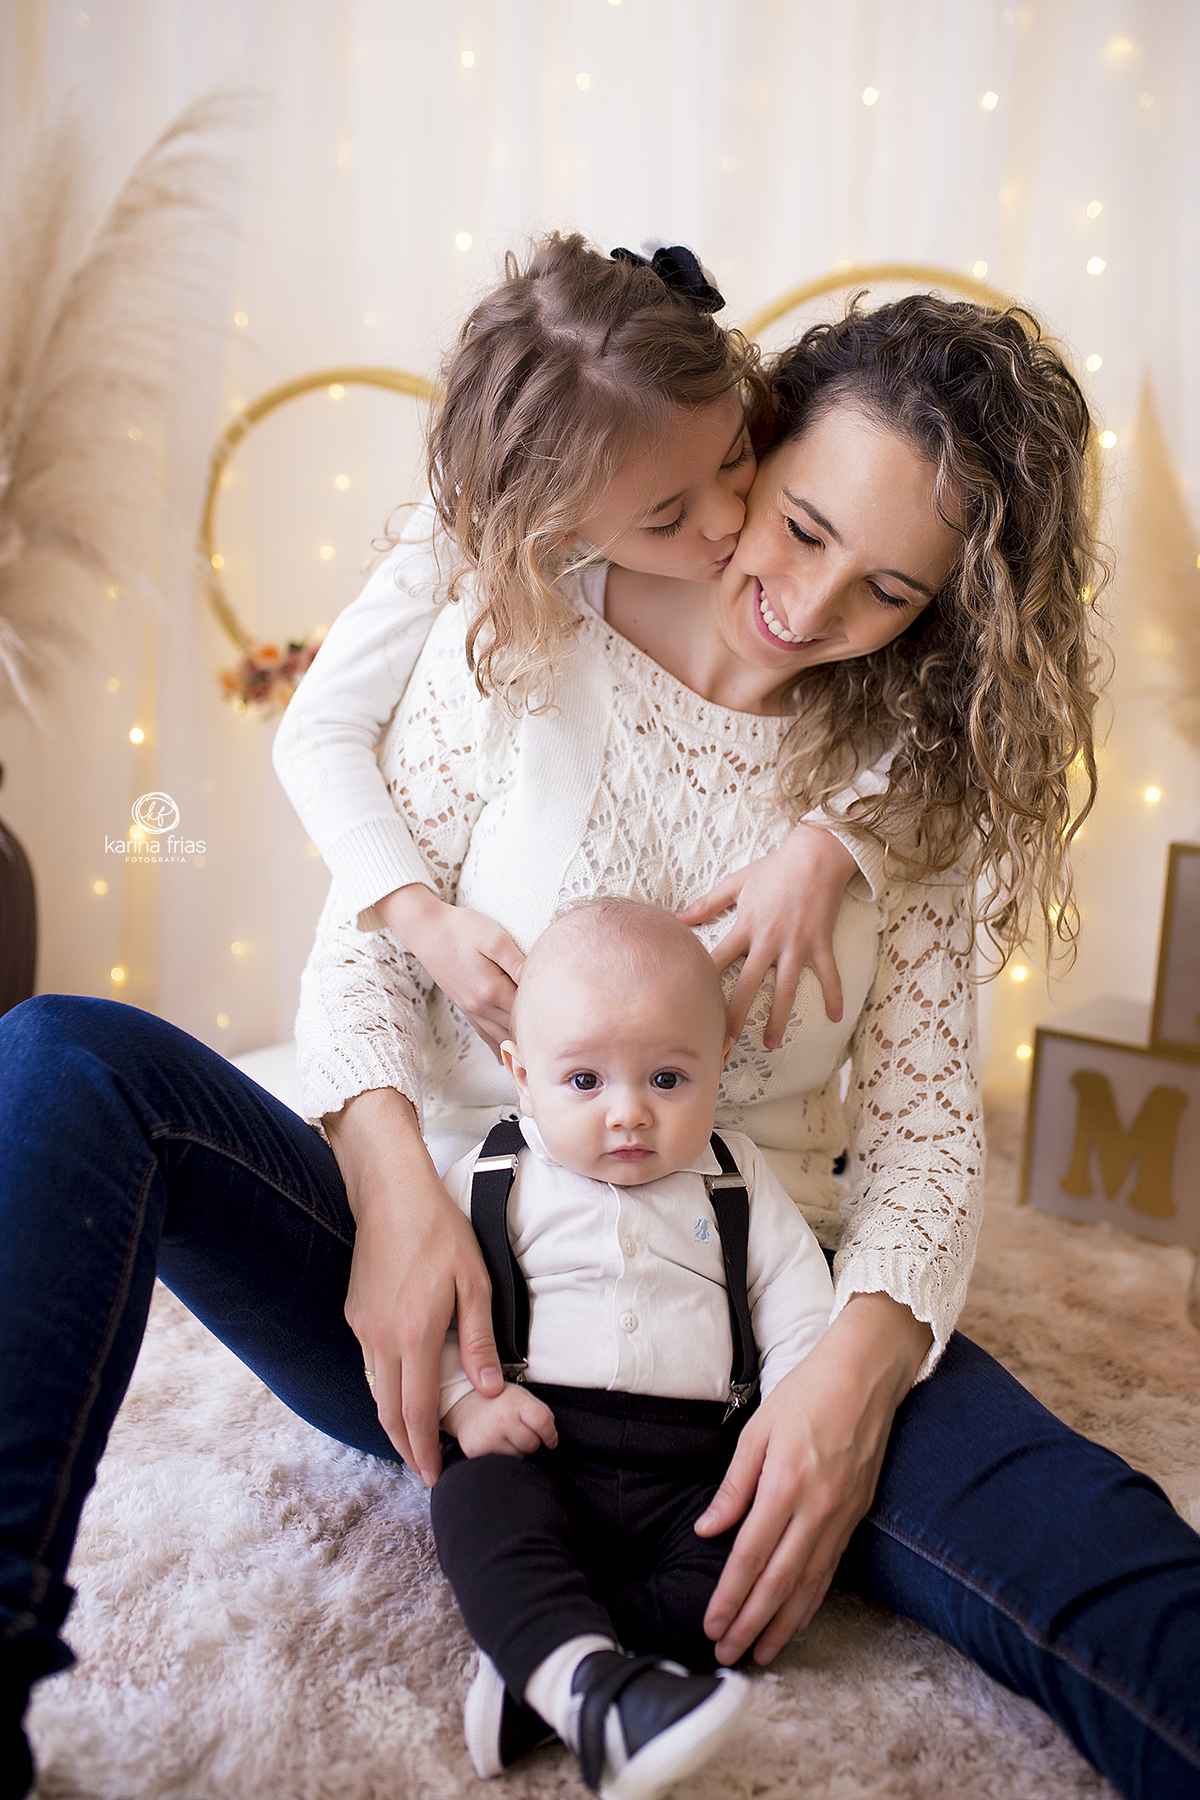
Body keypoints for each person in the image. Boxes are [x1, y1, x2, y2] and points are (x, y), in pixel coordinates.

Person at [1, 289, 1197, 1800]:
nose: (815, 607)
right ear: (755, 440)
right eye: (806, 525)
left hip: (753, 1336)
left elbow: (926, 1139)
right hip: (452, 1302)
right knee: (63, 1063)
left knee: (1103, 1551)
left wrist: (849, 1384)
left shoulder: (917, 793)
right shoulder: (531, 616)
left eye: (892, 587)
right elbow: (373, 940)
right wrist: (388, 1187)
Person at [272, 234, 885, 1056]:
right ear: (556, 536)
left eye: (737, 457)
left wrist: (831, 841)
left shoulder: (785, 530)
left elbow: (937, 719)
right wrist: (423, 920)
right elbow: (317, 732)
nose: (728, 521)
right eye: (667, 518)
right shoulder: (482, 529)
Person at [428, 899, 833, 1796]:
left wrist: (790, 1417)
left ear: (719, 1066)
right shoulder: (491, 1174)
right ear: (520, 1074)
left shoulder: (738, 1178)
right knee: (477, 1506)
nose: (628, 1116)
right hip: (542, 1446)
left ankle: (552, 1674)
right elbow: (435, 1310)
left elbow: (800, 1307)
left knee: (752, 1576)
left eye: (666, 1080)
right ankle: (584, 1678)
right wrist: (466, 1398)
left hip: (694, 1469)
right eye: (584, 1083)